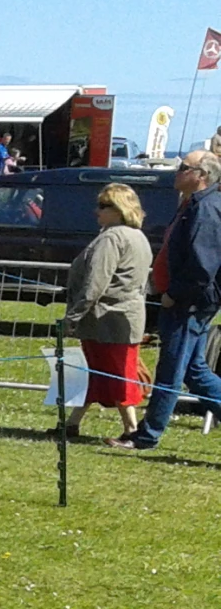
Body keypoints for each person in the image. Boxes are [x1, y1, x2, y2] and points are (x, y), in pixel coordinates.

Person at [124, 149, 221, 450]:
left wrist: (173, 295)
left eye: (183, 167)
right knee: (196, 372)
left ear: (201, 176)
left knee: (171, 371)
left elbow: (202, 267)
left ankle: (146, 436)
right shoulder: (191, 204)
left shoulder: (206, 210)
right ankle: (147, 433)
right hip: (185, 301)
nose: (176, 172)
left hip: (187, 304)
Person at [62, 183, 153, 443]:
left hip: (108, 321)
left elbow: (95, 284)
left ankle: (131, 431)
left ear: (119, 209)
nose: (96, 211)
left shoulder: (112, 238)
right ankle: (72, 424)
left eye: (103, 206)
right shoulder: (138, 237)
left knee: (119, 376)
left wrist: (73, 318)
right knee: (95, 373)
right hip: (118, 320)